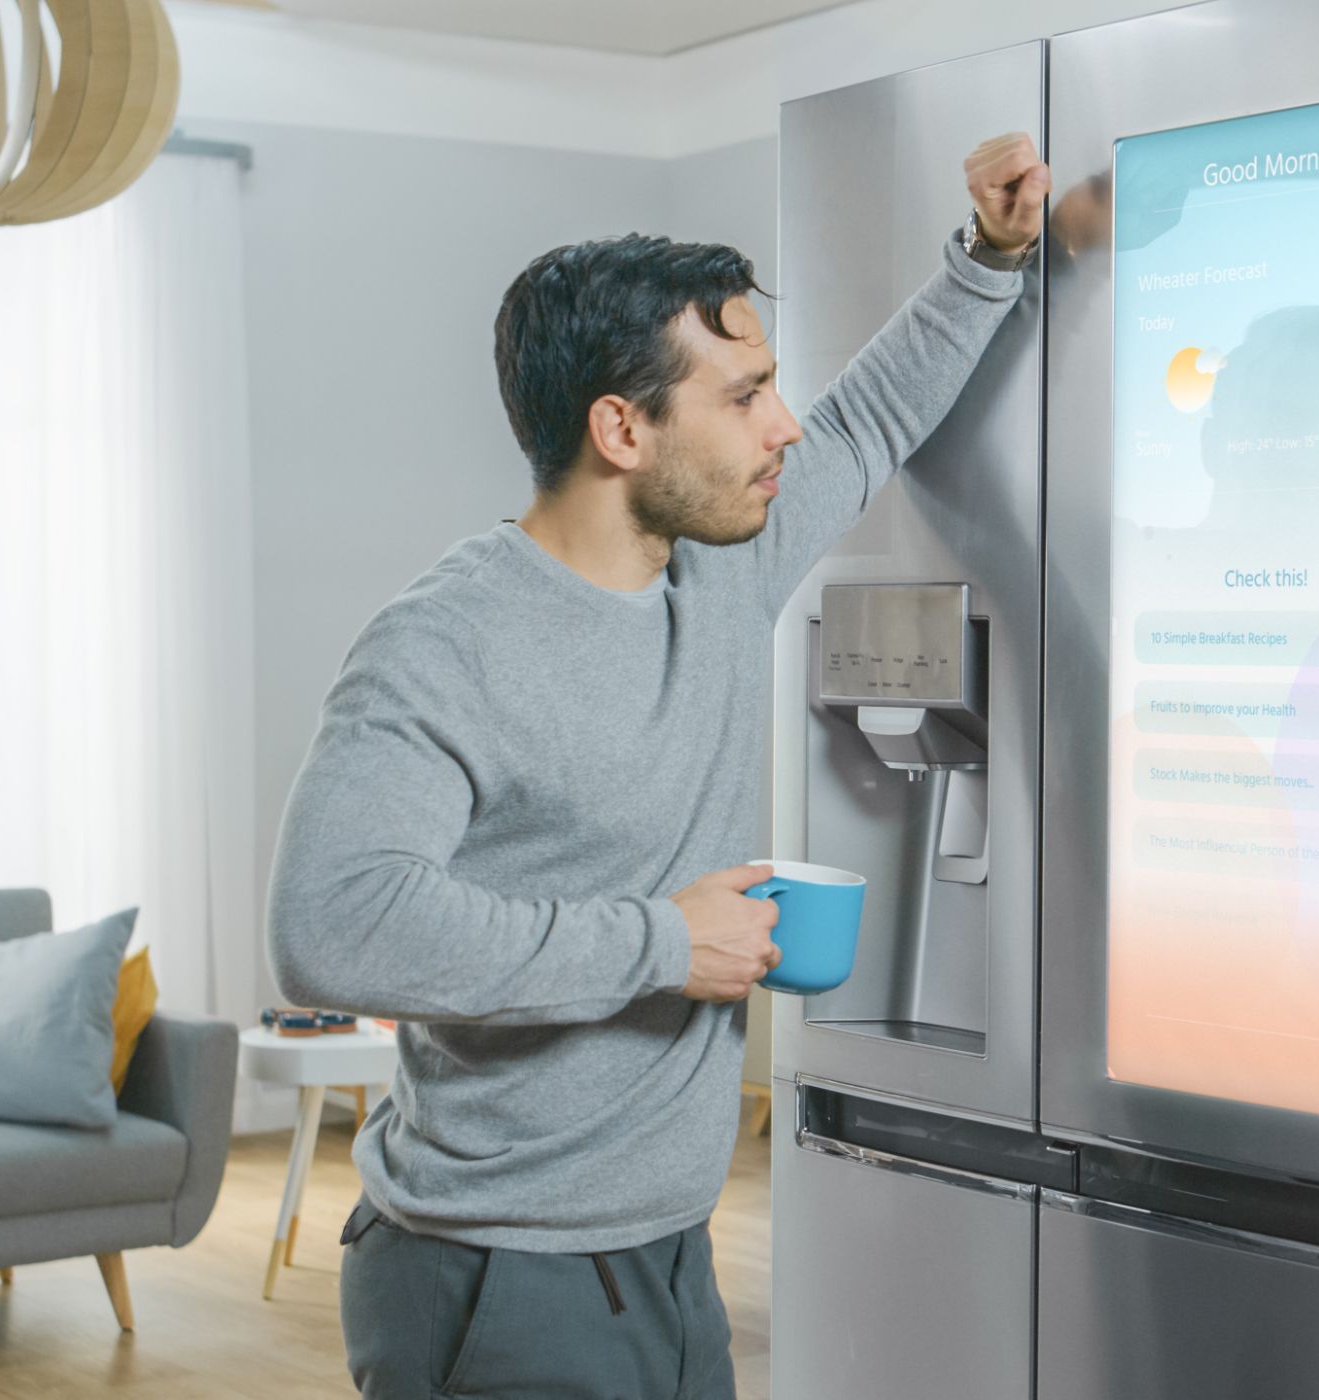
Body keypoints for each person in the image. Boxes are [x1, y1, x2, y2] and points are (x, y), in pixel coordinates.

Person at [266, 132, 1049, 1399]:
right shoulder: (444, 644)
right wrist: (662, 943)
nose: (781, 421)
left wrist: (992, 254)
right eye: (741, 396)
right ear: (621, 428)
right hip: (496, 1275)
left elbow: (870, 418)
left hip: (668, 1256)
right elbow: (329, 925)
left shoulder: (720, 570)